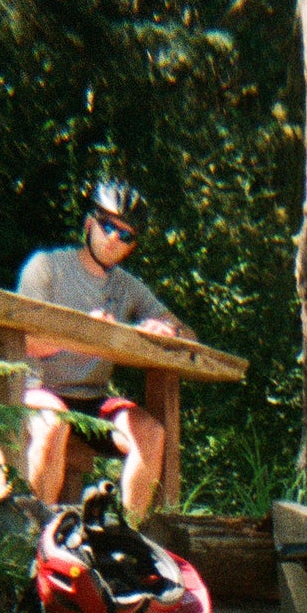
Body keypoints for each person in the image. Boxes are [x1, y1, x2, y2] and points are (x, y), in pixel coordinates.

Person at [15, 180, 187, 524]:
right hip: (38, 389)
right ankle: (36, 539)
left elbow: (186, 332)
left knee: (151, 433)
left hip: (94, 400)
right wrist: (82, 332)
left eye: (126, 236)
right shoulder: (46, 267)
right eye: (108, 227)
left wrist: (167, 329)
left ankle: (131, 533)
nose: (114, 239)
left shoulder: (128, 287)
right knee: (53, 424)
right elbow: (23, 342)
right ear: (89, 224)